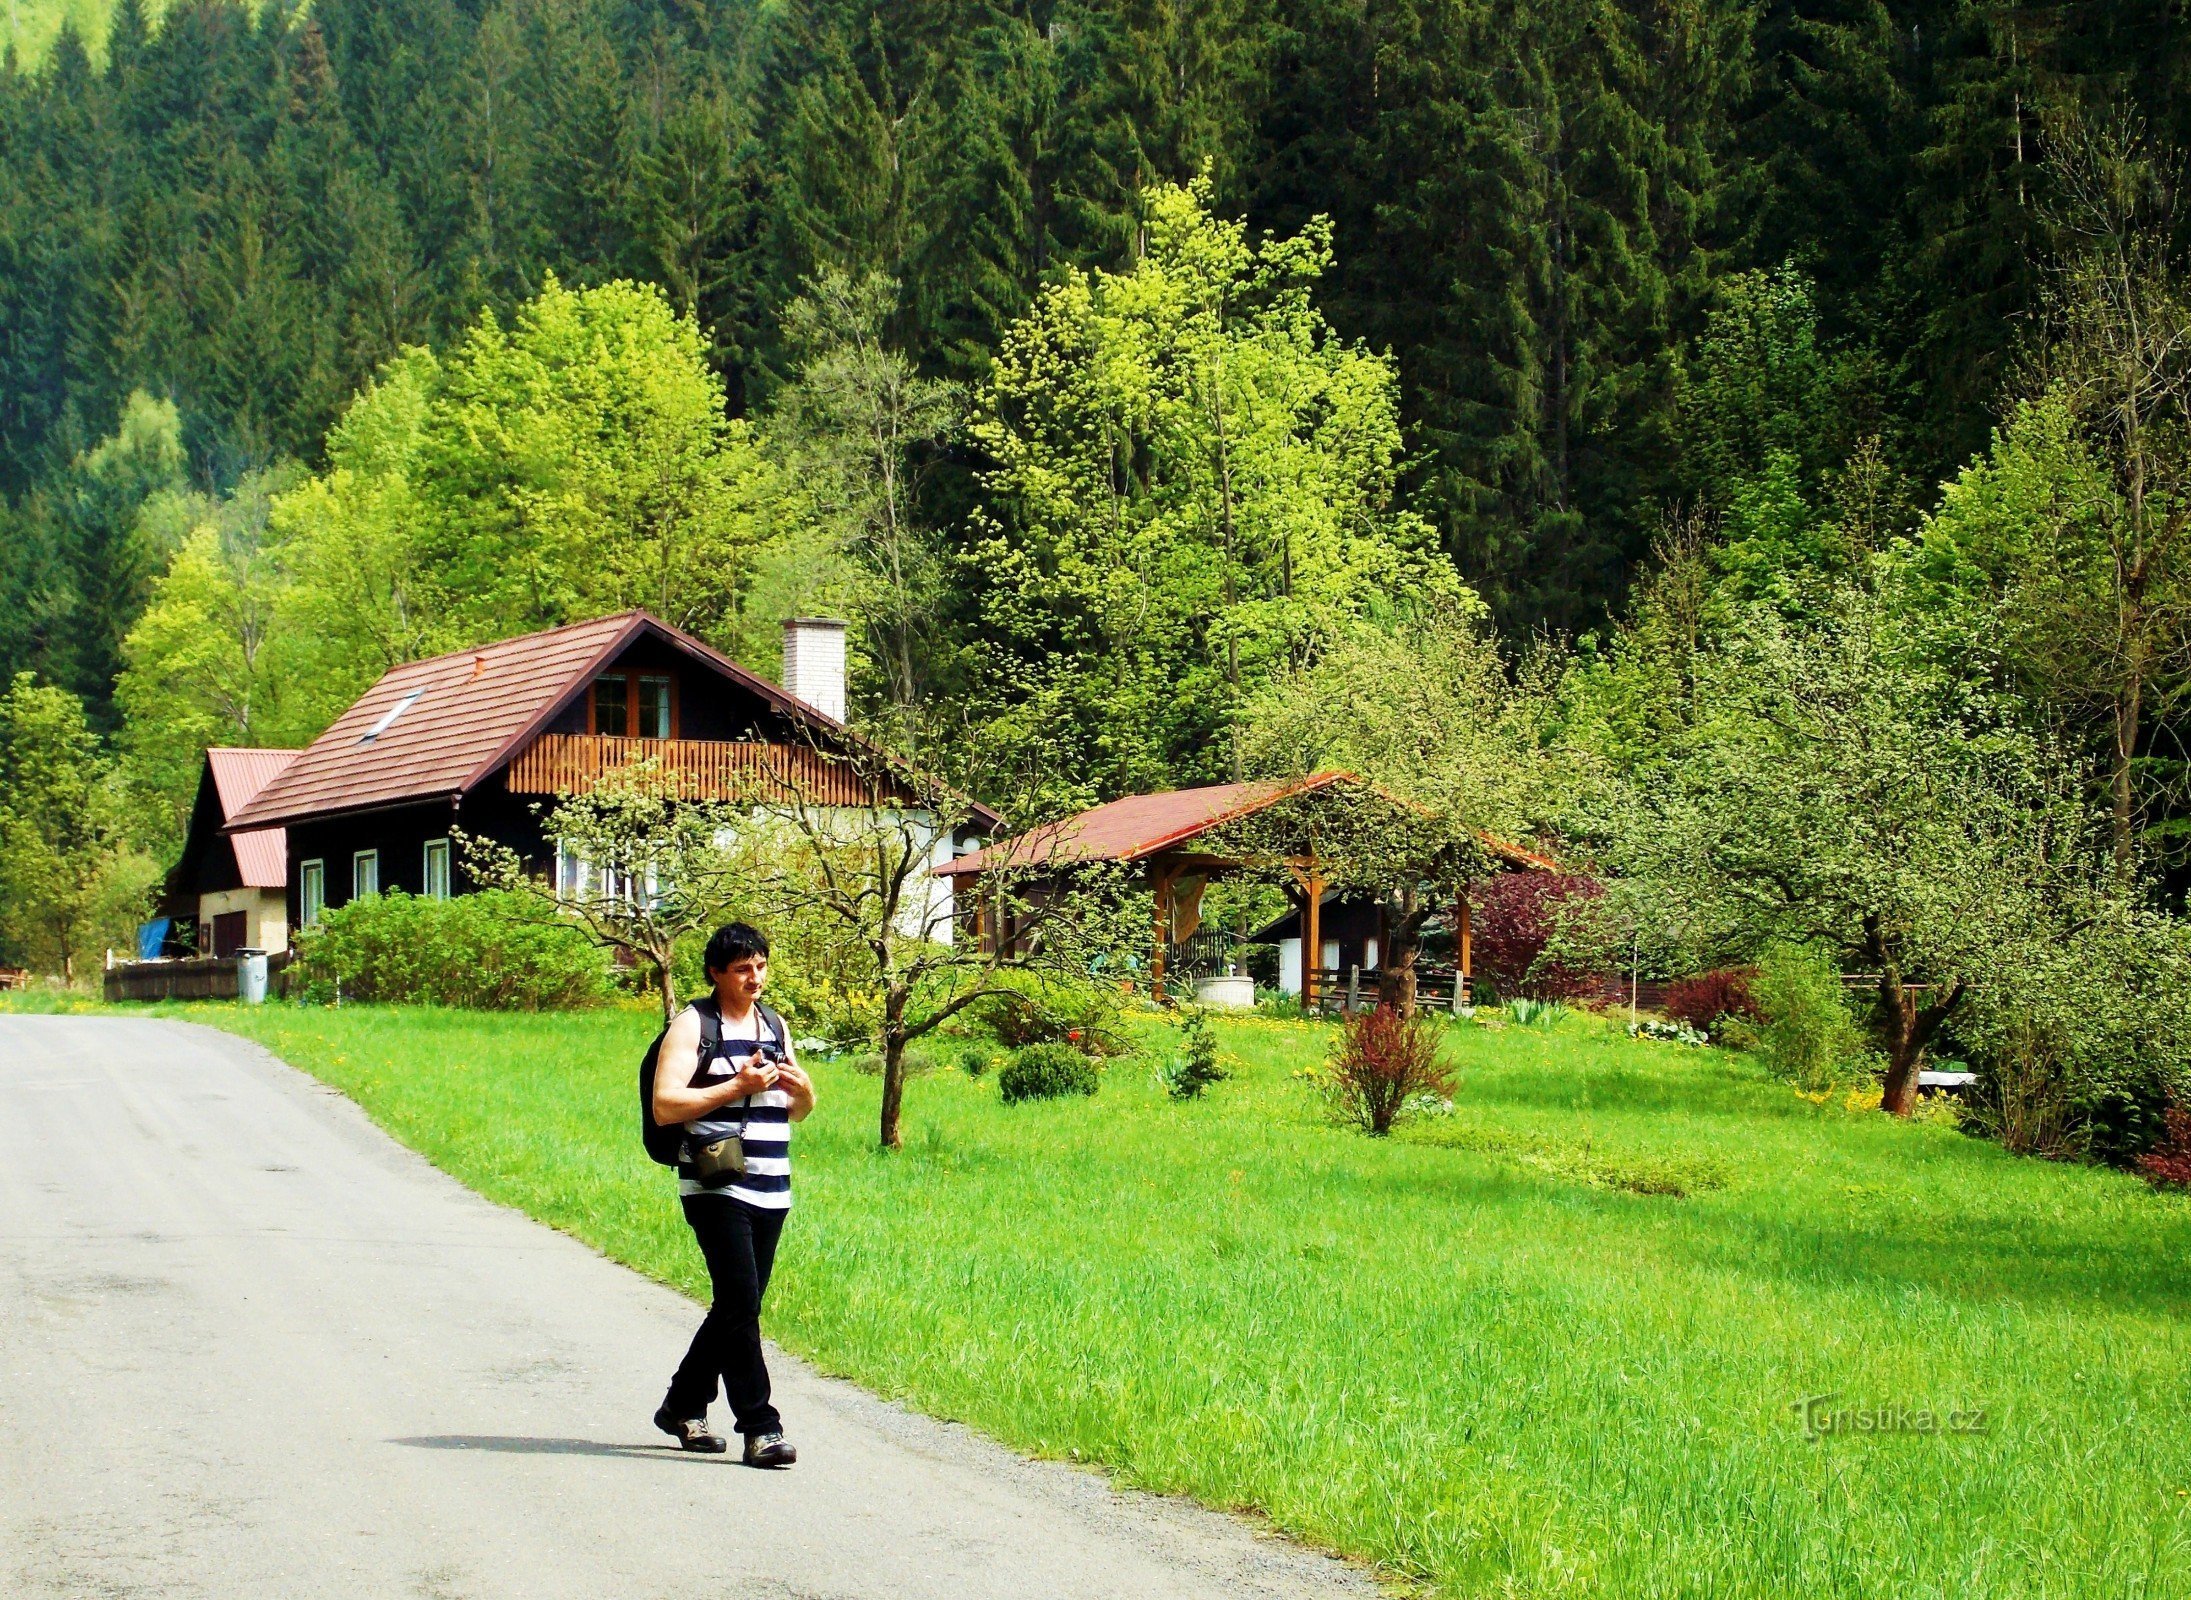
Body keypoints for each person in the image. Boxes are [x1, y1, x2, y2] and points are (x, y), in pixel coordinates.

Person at [649, 922, 815, 1466]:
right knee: (742, 1300)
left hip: (772, 1184)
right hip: (715, 1183)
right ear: (717, 973)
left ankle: (682, 1404)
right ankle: (760, 1427)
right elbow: (666, 1105)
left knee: (736, 1305)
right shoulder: (693, 1024)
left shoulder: (774, 1025)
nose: (755, 978)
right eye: (743, 969)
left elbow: (796, 1110)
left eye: (761, 966)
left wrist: (805, 1093)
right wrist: (735, 1087)